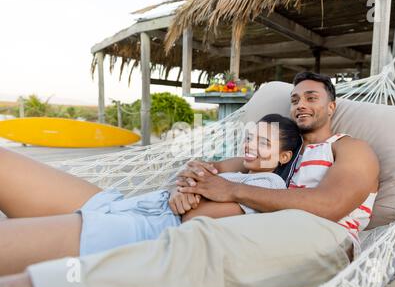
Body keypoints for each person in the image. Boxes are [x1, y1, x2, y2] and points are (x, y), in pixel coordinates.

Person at [0, 72, 380, 287]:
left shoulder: (350, 148)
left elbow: (331, 205)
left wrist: (227, 189)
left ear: (332, 106)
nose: (300, 103)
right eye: (295, 98)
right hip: (141, 204)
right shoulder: (278, 154)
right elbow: (207, 169)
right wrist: (189, 180)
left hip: (163, 226)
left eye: (311, 97)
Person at [0, 114, 301, 275]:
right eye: (250, 138)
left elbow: (197, 218)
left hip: (143, 232)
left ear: (284, 157)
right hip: (130, 206)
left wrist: (188, 187)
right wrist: (181, 184)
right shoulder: (240, 169)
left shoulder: (269, 186)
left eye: (263, 143)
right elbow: (190, 173)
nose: (250, 146)